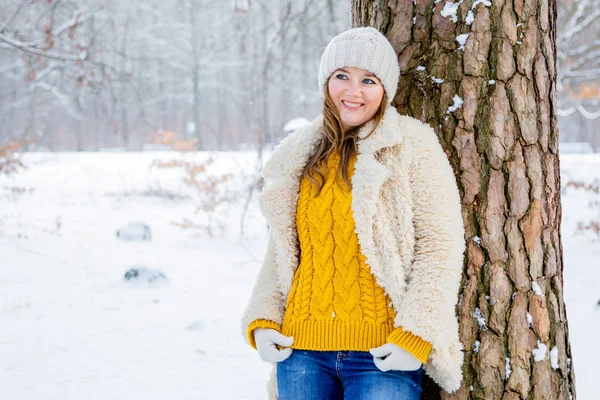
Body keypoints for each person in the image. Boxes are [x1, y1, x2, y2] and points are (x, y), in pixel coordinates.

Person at [241, 27, 465, 400]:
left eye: (368, 80)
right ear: (326, 81)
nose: (353, 91)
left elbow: (439, 245)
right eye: (341, 76)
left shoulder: (412, 145)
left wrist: (417, 334)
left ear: (386, 89)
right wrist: (262, 319)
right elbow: (282, 249)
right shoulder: (301, 152)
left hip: (382, 354)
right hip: (301, 353)